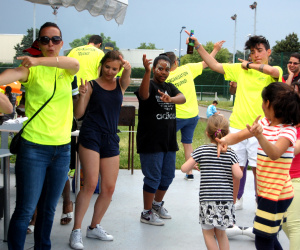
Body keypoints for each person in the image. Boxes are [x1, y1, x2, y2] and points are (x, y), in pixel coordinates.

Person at [0, 22, 79, 249]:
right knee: (25, 209)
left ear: (61, 43)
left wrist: (37, 59)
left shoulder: (66, 70)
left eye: (55, 39)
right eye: (45, 40)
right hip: (34, 148)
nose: (50, 44)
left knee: (48, 209)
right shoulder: (31, 69)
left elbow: (74, 63)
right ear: (39, 44)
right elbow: (12, 74)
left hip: (62, 149)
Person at [186, 31, 283, 209]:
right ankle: (233, 203)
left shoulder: (272, 72)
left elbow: (274, 71)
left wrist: (250, 65)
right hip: (238, 128)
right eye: (252, 52)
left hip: (262, 129)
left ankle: (261, 204)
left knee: (259, 171)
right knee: (234, 169)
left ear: (268, 52)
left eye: (260, 51)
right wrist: (198, 46)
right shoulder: (240, 70)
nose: (256, 55)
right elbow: (214, 65)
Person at [216, 82, 300, 249]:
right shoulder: (264, 124)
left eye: (262, 101)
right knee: (270, 237)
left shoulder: (288, 130)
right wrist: (221, 141)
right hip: (266, 192)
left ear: (268, 103)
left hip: (277, 195)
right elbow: (238, 136)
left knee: (262, 239)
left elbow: (275, 153)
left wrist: (260, 137)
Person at [69, 50, 131, 249]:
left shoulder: (120, 84)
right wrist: (82, 95)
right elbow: (78, 114)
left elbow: (126, 76)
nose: (111, 72)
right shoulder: (92, 85)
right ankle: (76, 231)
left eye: (115, 68)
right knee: (90, 184)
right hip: (91, 135)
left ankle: (94, 227)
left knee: (109, 188)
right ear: (101, 65)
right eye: (107, 67)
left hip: (110, 137)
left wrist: (127, 67)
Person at [135, 54, 185, 226]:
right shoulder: (148, 84)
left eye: (166, 69)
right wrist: (146, 72)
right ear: (154, 68)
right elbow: (143, 95)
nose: (163, 72)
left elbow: (183, 98)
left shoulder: (170, 88)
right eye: (160, 68)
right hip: (151, 141)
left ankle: (156, 205)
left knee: (168, 176)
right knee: (153, 177)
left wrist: (170, 99)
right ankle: (146, 213)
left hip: (168, 141)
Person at [165, 41, 224, 180]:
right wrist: (215, 49)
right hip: (192, 116)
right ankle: (189, 172)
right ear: (175, 62)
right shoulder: (187, 69)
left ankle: (165, 169)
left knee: (166, 142)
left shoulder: (166, 77)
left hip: (177, 117)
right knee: (187, 143)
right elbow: (206, 62)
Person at [181, 114, 242, 250]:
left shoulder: (202, 150)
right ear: (227, 134)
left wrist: (193, 165)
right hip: (225, 201)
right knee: (221, 234)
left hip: (207, 201)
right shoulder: (230, 153)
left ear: (207, 133)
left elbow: (184, 168)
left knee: (208, 234)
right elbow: (238, 175)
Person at [282, 81, 300, 250]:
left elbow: (291, 150)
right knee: (286, 224)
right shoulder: (292, 115)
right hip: (285, 177)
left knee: (294, 227)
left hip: (297, 178)